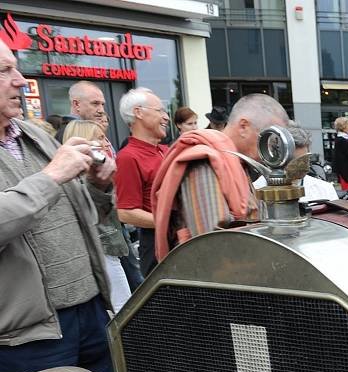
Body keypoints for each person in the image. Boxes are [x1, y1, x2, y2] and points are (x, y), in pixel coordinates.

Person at [0, 39, 117, 372]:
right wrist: (52, 175)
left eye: (16, 68)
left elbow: (83, 214)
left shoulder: (34, 135)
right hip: (28, 339)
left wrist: (98, 185)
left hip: (91, 310)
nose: (21, 80)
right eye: (5, 71)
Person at [152, 93, 289, 262]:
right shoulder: (204, 162)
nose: (273, 147)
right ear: (244, 126)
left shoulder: (235, 161)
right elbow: (213, 248)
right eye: (269, 137)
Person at [63, 119, 132, 314]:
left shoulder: (97, 172)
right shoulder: (81, 177)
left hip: (109, 246)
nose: (105, 142)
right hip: (103, 248)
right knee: (122, 307)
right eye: (99, 138)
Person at [115, 87, 169, 276]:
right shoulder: (128, 157)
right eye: (160, 111)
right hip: (157, 246)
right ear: (138, 112)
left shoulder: (165, 150)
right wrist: (168, 222)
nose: (166, 117)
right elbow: (126, 213)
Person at [253, 122, 337, 203]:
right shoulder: (254, 191)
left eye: (305, 160)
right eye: (293, 161)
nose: (301, 167)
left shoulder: (325, 190)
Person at [332, 117, 348, 192]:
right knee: (347, 192)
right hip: (345, 172)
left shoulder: (339, 139)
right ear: (344, 127)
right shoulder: (343, 140)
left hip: (343, 171)